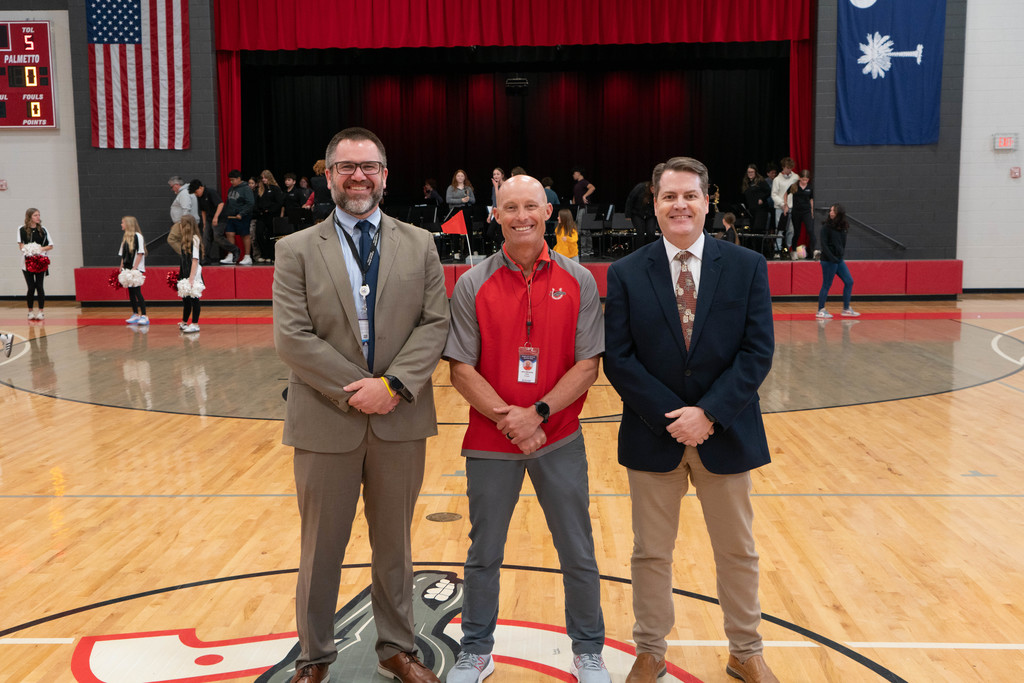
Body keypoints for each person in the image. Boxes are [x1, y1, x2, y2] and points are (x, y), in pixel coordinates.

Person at [272, 127, 450, 683]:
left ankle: (397, 647)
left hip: (400, 418)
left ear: (384, 175)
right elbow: (293, 338)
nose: (358, 176)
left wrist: (392, 386)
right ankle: (313, 657)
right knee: (321, 548)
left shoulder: (419, 244)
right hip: (327, 419)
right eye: (346, 167)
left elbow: (434, 324)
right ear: (328, 176)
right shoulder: (295, 248)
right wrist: (361, 389)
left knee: (394, 547)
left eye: (368, 166)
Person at [603, 156, 779, 683]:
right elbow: (620, 357)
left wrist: (709, 414)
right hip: (654, 435)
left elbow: (757, 351)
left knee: (737, 552)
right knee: (650, 554)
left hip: (724, 432)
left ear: (708, 202)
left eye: (690, 196)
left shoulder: (746, 267)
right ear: (654, 204)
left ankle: (746, 651)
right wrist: (672, 418)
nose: (680, 205)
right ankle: (651, 650)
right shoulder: (627, 272)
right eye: (669, 196)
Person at [443, 174, 610, 683]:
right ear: (496, 215)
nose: (521, 216)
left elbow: (588, 366)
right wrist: (510, 420)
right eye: (510, 207)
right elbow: (460, 369)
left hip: (557, 437)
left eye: (530, 207)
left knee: (577, 549)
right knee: (483, 553)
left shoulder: (579, 280)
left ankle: (587, 650)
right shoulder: (473, 282)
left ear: (547, 212)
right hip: (492, 441)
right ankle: (476, 649)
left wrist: (535, 414)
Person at [817, 203, 859, 319]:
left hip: (838, 260)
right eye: (830, 211)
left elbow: (842, 244)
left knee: (849, 281)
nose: (831, 213)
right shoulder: (826, 227)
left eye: (833, 211)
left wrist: (839, 257)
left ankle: (846, 309)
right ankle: (821, 309)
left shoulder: (843, 227)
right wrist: (832, 258)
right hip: (828, 260)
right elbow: (824, 245)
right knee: (827, 284)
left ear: (839, 214)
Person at [18, 208, 53, 320]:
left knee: (39, 286)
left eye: (38, 215)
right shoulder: (21, 230)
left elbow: (50, 245)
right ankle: (30, 311)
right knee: (31, 287)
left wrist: (39, 249)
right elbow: (21, 246)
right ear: (29, 217)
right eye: (35, 215)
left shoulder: (43, 230)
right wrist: (29, 249)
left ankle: (41, 311)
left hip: (40, 261)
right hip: (27, 262)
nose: (38, 217)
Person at [189, 179, 232, 264]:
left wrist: (216, 217)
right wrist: (204, 224)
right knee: (205, 238)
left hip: (219, 217)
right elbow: (203, 211)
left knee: (217, 237)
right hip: (209, 218)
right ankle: (205, 258)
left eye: (196, 192)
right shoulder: (199, 197)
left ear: (201, 188)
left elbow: (220, 204)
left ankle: (234, 249)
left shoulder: (210, 192)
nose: (196, 194)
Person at [119, 216, 149, 325]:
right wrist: (121, 268)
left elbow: (140, 253)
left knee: (137, 291)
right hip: (127, 269)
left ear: (128, 224)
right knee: (130, 292)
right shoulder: (126, 237)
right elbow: (123, 255)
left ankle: (144, 315)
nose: (121, 224)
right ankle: (135, 314)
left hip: (135, 269)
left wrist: (134, 269)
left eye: (122, 223)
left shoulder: (138, 236)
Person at [220, 170, 254, 265]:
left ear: (239, 179)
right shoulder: (231, 189)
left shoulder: (246, 189)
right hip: (231, 216)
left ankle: (247, 256)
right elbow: (228, 202)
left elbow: (250, 203)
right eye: (230, 180)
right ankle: (231, 255)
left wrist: (242, 213)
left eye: (233, 180)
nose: (231, 182)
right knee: (229, 233)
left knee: (245, 235)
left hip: (243, 216)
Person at [177, 215, 204, 333]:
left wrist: (192, 278)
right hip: (185, 272)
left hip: (193, 274)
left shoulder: (195, 239)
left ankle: (195, 324)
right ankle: (184, 322)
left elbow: (195, 260)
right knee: (186, 299)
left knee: (194, 298)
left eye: (181, 223)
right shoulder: (184, 240)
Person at [770, 158, 799, 258]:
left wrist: (789, 205)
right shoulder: (777, 180)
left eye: (790, 168)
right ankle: (777, 250)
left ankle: (788, 249)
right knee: (780, 229)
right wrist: (783, 205)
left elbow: (795, 193)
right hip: (780, 208)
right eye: (787, 168)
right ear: (783, 167)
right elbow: (774, 195)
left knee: (791, 229)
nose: (789, 170)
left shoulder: (795, 177)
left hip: (791, 207)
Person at [255, 170, 284, 263]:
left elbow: (279, 203)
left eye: (265, 178)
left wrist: (270, 210)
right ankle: (264, 254)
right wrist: (259, 210)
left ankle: (271, 255)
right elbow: (256, 202)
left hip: (272, 216)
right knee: (259, 233)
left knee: (271, 236)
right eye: (262, 178)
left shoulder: (275, 189)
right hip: (261, 216)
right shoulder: (260, 189)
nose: (263, 180)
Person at [167, 175, 199, 255]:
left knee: (172, 239)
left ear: (177, 185)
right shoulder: (187, 192)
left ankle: (187, 255)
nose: (172, 189)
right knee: (187, 241)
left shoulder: (184, 193)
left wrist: (182, 223)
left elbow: (186, 208)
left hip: (183, 222)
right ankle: (190, 257)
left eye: (172, 187)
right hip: (187, 221)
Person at [788, 170, 816, 259]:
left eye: (806, 180)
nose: (804, 181)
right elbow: (786, 193)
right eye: (803, 180)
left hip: (806, 211)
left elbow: (811, 199)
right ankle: (794, 251)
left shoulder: (810, 188)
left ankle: (814, 251)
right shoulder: (794, 186)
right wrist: (785, 204)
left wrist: (812, 211)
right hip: (796, 212)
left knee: (810, 230)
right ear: (800, 178)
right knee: (797, 232)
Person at [741, 165, 771, 237]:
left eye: (752, 172)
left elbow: (768, 191)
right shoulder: (747, 183)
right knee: (751, 230)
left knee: (757, 229)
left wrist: (762, 199)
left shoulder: (760, 181)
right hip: (751, 210)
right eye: (749, 172)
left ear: (755, 172)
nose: (750, 174)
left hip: (761, 209)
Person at [446, 170, 475, 235]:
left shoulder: (468, 188)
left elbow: (473, 200)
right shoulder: (451, 188)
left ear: (464, 177)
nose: (460, 177)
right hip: (455, 213)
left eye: (462, 176)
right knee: (455, 234)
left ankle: (468, 245)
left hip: (466, 212)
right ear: (455, 177)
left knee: (468, 231)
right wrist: (461, 200)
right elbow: (448, 200)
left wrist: (468, 199)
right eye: (458, 176)